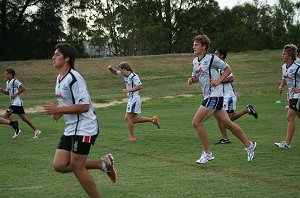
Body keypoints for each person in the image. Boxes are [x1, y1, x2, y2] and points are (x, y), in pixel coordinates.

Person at [44, 43, 117, 198]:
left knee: (77, 167)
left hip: (85, 126)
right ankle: (102, 163)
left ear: (67, 58)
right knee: (60, 165)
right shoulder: (59, 78)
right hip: (72, 127)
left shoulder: (74, 78)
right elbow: (70, 102)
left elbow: (84, 106)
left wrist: (58, 110)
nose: (53, 57)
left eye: (57, 54)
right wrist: (60, 112)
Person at [187, 35, 256, 164]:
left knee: (196, 122)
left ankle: (208, 153)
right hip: (208, 96)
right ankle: (249, 145)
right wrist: (192, 80)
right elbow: (197, 77)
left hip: (215, 96)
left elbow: (228, 69)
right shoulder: (195, 61)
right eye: (194, 44)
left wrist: (219, 80)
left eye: (196, 44)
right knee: (228, 124)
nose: (194, 46)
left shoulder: (213, 59)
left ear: (204, 47)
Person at [214, 47, 258, 145]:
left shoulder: (225, 65)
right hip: (221, 96)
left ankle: (247, 110)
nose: (214, 55)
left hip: (228, 96)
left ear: (221, 56)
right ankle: (225, 139)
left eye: (216, 54)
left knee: (228, 120)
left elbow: (231, 79)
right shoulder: (217, 66)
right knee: (220, 117)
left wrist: (218, 81)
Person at [107, 62, 160, 141]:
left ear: (124, 69)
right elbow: (115, 72)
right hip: (131, 99)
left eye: (121, 70)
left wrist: (128, 90)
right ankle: (153, 120)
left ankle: (132, 137)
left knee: (127, 118)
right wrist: (111, 69)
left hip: (135, 99)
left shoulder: (134, 76)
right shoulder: (124, 75)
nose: (120, 72)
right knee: (134, 120)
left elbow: (140, 86)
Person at [0, 68, 41, 138]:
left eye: (6, 74)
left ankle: (16, 128)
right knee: (24, 119)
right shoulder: (7, 82)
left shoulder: (15, 81)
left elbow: (23, 88)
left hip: (17, 103)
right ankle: (36, 130)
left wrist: (16, 94)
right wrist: (2, 90)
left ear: (11, 74)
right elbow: (8, 93)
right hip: (15, 103)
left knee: (6, 115)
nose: (5, 75)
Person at [275, 44, 300, 149]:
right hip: (291, 95)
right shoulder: (284, 67)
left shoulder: (297, 67)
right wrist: (281, 85)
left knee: (290, 116)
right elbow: (285, 78)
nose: (282, 56)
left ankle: (287, 143)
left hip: (297, 95)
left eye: (284, 54)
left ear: (289, 56)